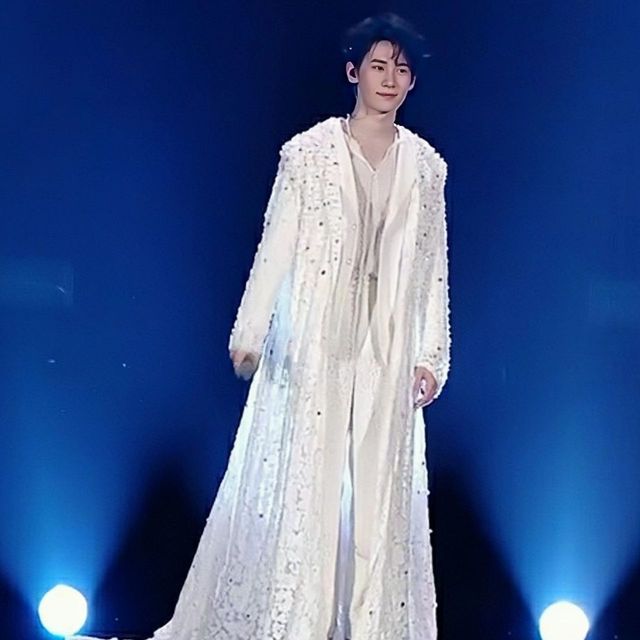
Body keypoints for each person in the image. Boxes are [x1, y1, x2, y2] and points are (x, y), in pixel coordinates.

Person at [70, 11, 451, 640]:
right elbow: (277, 245)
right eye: (379, 66)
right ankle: (299, 620)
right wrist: (250, 333)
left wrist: (430, 354)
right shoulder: (308, 156)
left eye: (402, 69)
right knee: (312, 484)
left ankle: (369, 624)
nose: (390, 79)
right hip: (317, 342)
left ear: (412, 82)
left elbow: (433, 264)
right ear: (354, 72)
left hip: (386, 348)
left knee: (379, 492)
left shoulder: (426, 167)